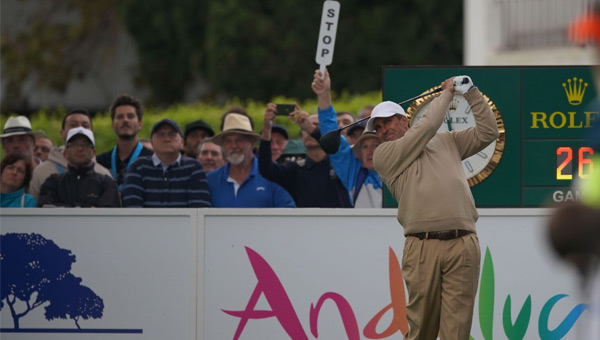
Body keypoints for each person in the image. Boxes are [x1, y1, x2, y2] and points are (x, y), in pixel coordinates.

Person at [370, 75, 499, 340]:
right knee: (422, 331)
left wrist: (471, 92)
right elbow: (427, 126)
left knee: (457, 332)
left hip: (463, 244)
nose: (383, 131)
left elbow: (488, 132)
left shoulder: (447, 141)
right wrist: (448, 93)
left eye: (387, 123)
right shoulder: (383, 156)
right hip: (421, 246)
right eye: (378, 128)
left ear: (404, 121)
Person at [312, 69, 383, 208]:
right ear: (359, 154)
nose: (369, 151)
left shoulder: (400, 171)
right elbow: (331, 131)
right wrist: (324, 94)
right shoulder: (354, 172)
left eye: (375, 145)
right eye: (364, 146)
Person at [258, 103, 352, 208]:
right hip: (306, 224)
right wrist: (267, 128)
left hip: (341, 224)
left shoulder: (342, 166)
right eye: (303, 127)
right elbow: (266, 169)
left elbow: (334, 146)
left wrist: (312, 129)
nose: (308, 130)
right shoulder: (296, 169)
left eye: (316, 126)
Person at [207, 113, 295, 207]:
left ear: (252, 142)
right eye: (228, 141)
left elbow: (288, 214)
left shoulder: (274, 175)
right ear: (223, 145)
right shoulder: (210, 180)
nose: (234, 146)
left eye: (239, 140)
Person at [122, 119, 212, 208]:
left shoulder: (194, 167)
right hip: (145, 222)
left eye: (172, 134)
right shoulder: (138, 167)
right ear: (152, 142)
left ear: (182, 142)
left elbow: (200, 209)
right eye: (160, 135)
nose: (167, 139)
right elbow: (132, 208)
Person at [29, 108, 112, 199]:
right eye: (73, 125)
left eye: (85, 126)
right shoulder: (41, 172)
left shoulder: (104, 175)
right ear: (62, 133)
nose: (79, 129)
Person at [37, 127, 120, 207]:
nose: (80, 148)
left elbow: (107, 215)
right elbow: (45, 209)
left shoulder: (106, 183)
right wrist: (88, 208)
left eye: (85, 144)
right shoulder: (53, 183)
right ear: (65, 152)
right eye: (74, 144)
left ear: (93, 152)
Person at [96, 94, 153, 192]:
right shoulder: (100, 162)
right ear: (113, 124)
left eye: (130, 116)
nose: (125, 120)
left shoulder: (153, 161)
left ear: (140, 124)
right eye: (120, 117)